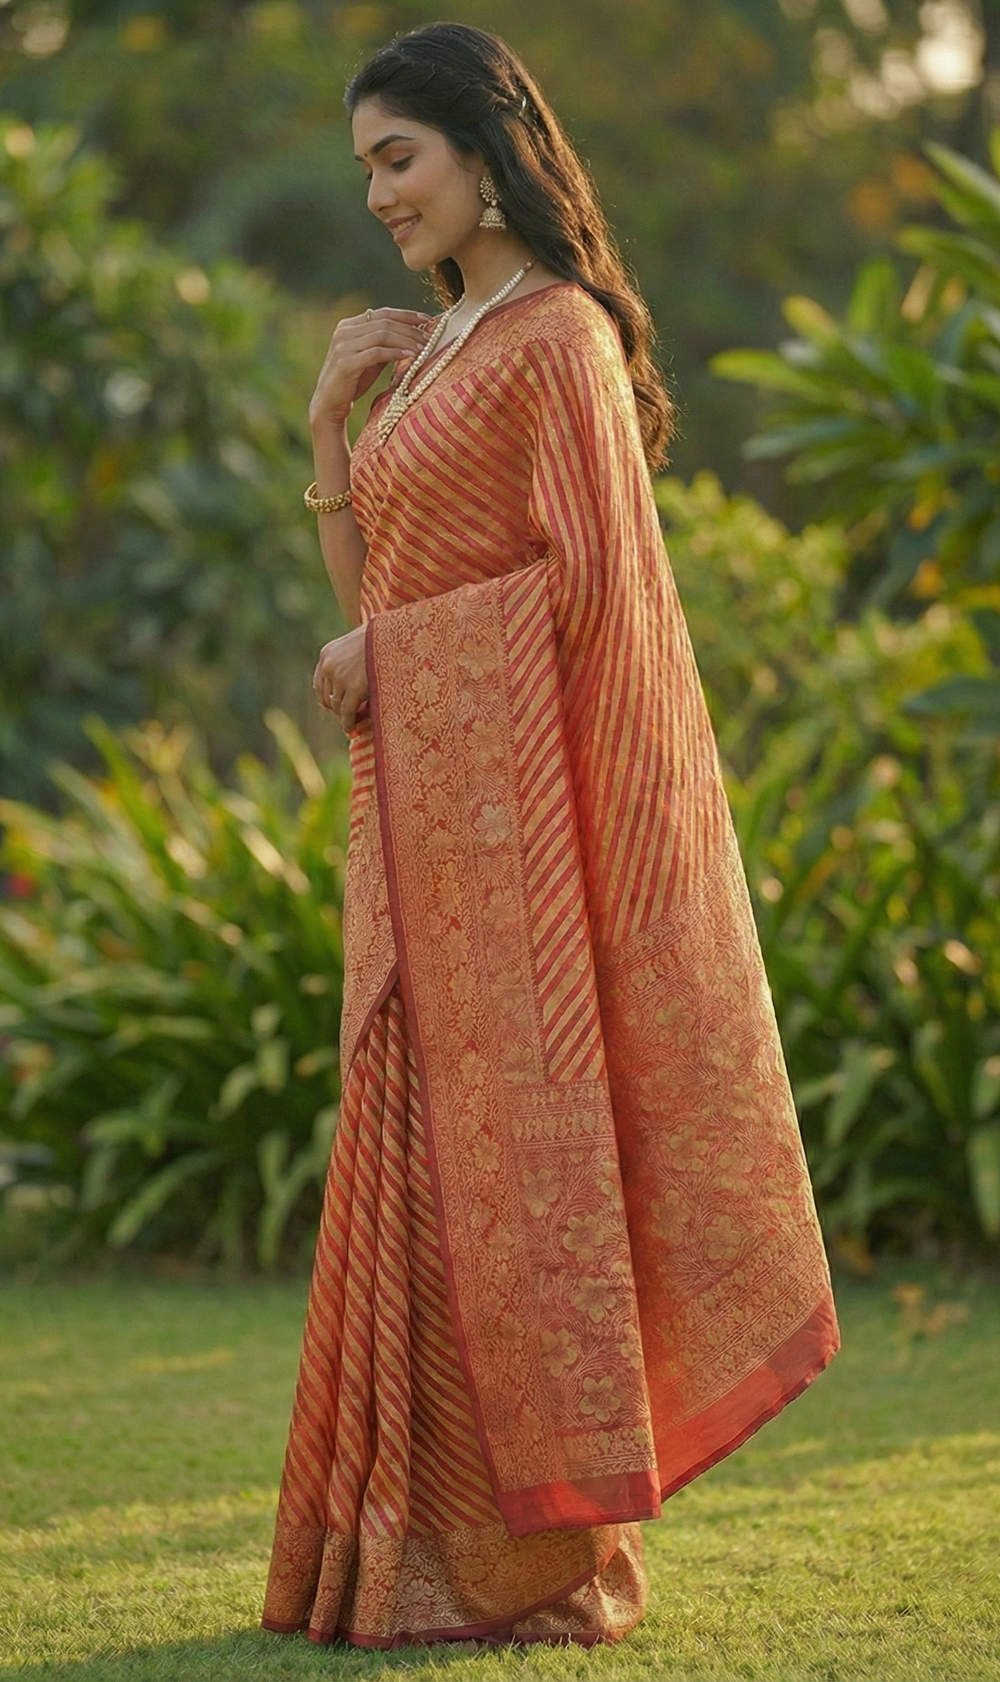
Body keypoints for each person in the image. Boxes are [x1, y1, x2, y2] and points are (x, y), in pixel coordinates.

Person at [261, 21, 839, 1652]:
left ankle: (520, 1562)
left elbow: (598, 600)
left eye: (400, 157)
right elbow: (372, 611)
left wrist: (403, 660)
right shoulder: (440, 345)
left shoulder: (560, 339)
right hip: (425, 832)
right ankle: (399, 1553)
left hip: (516, 850)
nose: (379, 194)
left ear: (490, 146)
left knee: (497, 1190)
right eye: (365, 166)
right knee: (418, 1178)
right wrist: (328, 431)